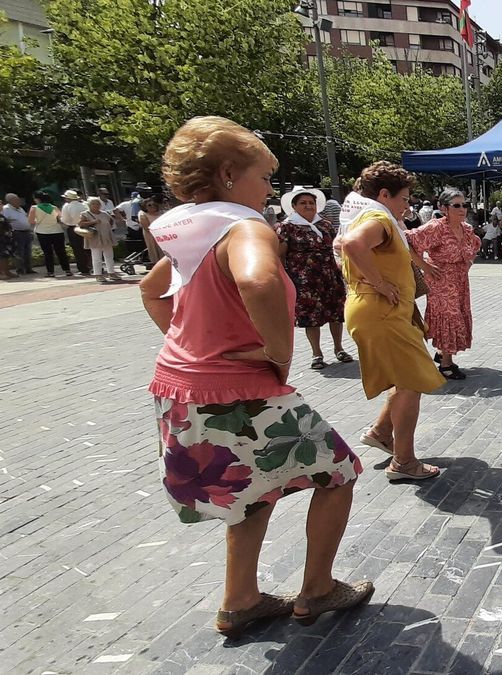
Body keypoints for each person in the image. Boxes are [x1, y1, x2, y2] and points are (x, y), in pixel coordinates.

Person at [141, 116, 369, 637]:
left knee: (250, 490)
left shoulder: (192, 227)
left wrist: (194, 348)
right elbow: (259, 279)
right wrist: (278, 353)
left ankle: (240, 600)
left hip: (178, 388)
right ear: (227, 173)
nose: (272, 190)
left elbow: (152, 293)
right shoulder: (243, 227)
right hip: (235, 391)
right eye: (265, 177)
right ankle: (318, 589)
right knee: (339, 473)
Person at [337, 161, 444, 481]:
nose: (408, 205)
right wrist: (380, 283)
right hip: (381, 312)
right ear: (385, 195)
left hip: (380, 311)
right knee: (412, 382)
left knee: (405, 378)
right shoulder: (378, 217)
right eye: (405, 198)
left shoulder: (372, 215)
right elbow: (353, 245)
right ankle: (404, 462)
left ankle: (383, 432)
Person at [407, 188, 481, 381]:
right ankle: (446, 365)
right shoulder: (436, 228)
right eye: (456, 205)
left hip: (460, 281)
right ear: (443, 208)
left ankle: (442, 354)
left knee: (458, 315)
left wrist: (468, 263)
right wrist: (424, 266)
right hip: (440, 281)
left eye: (464, 205)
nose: (462, 209)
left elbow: (475, 245)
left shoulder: (466, 229)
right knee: (449, 317)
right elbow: (407, 241)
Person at [276, 186, 352, 370]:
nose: (308, 206)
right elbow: (280, 255)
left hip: (329, 275)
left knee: (336, 313)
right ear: (294, 206)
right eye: (303, 203)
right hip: (304, 279)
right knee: (311, 317)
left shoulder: (324, 224)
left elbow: (336, 246)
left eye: (311, 202)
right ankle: (316, 353)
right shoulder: (287, 227)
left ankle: (339, 348)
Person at [79, 197, 121, 282]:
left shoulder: (105, 213)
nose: (96, 205)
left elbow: (111, 222)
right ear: (89, 205)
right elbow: (81, 224)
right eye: (93, 204)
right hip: (94, 238)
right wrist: (93, 222)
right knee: (96, 257)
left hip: (106, 236)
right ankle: (98, 274)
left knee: (109, 256)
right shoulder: (85, 214)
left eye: (98, 204)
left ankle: (111, 273)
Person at [30, 193, 72, 277]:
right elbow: (60, 218)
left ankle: (50, 272)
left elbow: (31, 221)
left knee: (47, 253)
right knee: (61, 252)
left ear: (38, 199)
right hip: (57, 231)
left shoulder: (34, 208)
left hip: (42, 232)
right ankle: (67, 270)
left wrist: (38, 221)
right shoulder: (54, 207)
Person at [60, 189, 91, 275]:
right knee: (88, 248)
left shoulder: (67, 206)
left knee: (78, 249)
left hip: (74, 228)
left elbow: (65, 220)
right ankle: (93, 265)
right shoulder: (84, 205)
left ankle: (83, 268)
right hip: (86, 227)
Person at [3, 193, 34, 274]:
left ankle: (28, 269)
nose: (18, 200)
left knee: (28, 251)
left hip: (26, 232)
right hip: (17, 233)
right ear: (10, 201)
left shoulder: (20, 208)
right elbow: (4, 222)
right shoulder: (6, 209)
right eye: (16, 199)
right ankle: (20, 269)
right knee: (19, 252)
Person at [138, 193, 167, 264]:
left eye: (153, 204)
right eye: (149, 205)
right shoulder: (142, 214)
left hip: (163, 234)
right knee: (154, 251)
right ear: (144, 207)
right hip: (151, 235)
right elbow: (146, 227)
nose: (152, 206)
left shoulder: (161, 212)